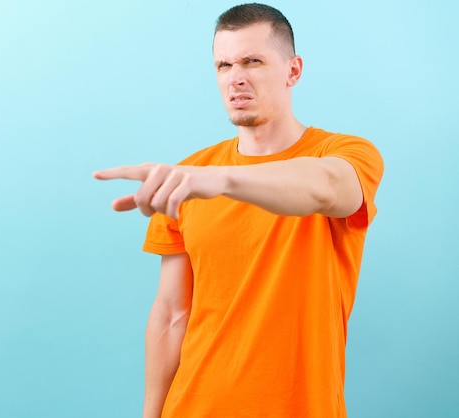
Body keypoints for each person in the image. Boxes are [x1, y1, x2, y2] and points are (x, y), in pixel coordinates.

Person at [94, 3, 383, 417]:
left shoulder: (344, 154)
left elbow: (328, 187)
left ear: (293, 71)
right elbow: (172, 315)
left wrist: (227, 179)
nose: (236, 78)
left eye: (253, 61)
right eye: (224, 65)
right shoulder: (188, 178)